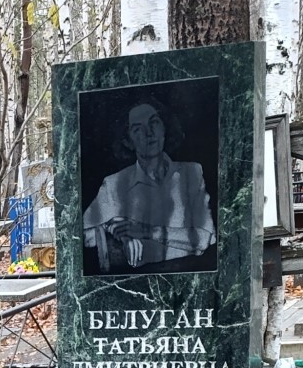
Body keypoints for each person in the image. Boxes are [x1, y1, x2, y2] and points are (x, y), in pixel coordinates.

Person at [82, 99, 216, 270]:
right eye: (137, 129)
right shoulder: (114, 184)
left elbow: (204, 239)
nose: (149, 133)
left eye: (154, 122)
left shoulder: (192, 173)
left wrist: (145, 231)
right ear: (127, 141)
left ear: (164, 127)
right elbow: (84, 236)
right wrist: (116, 231)